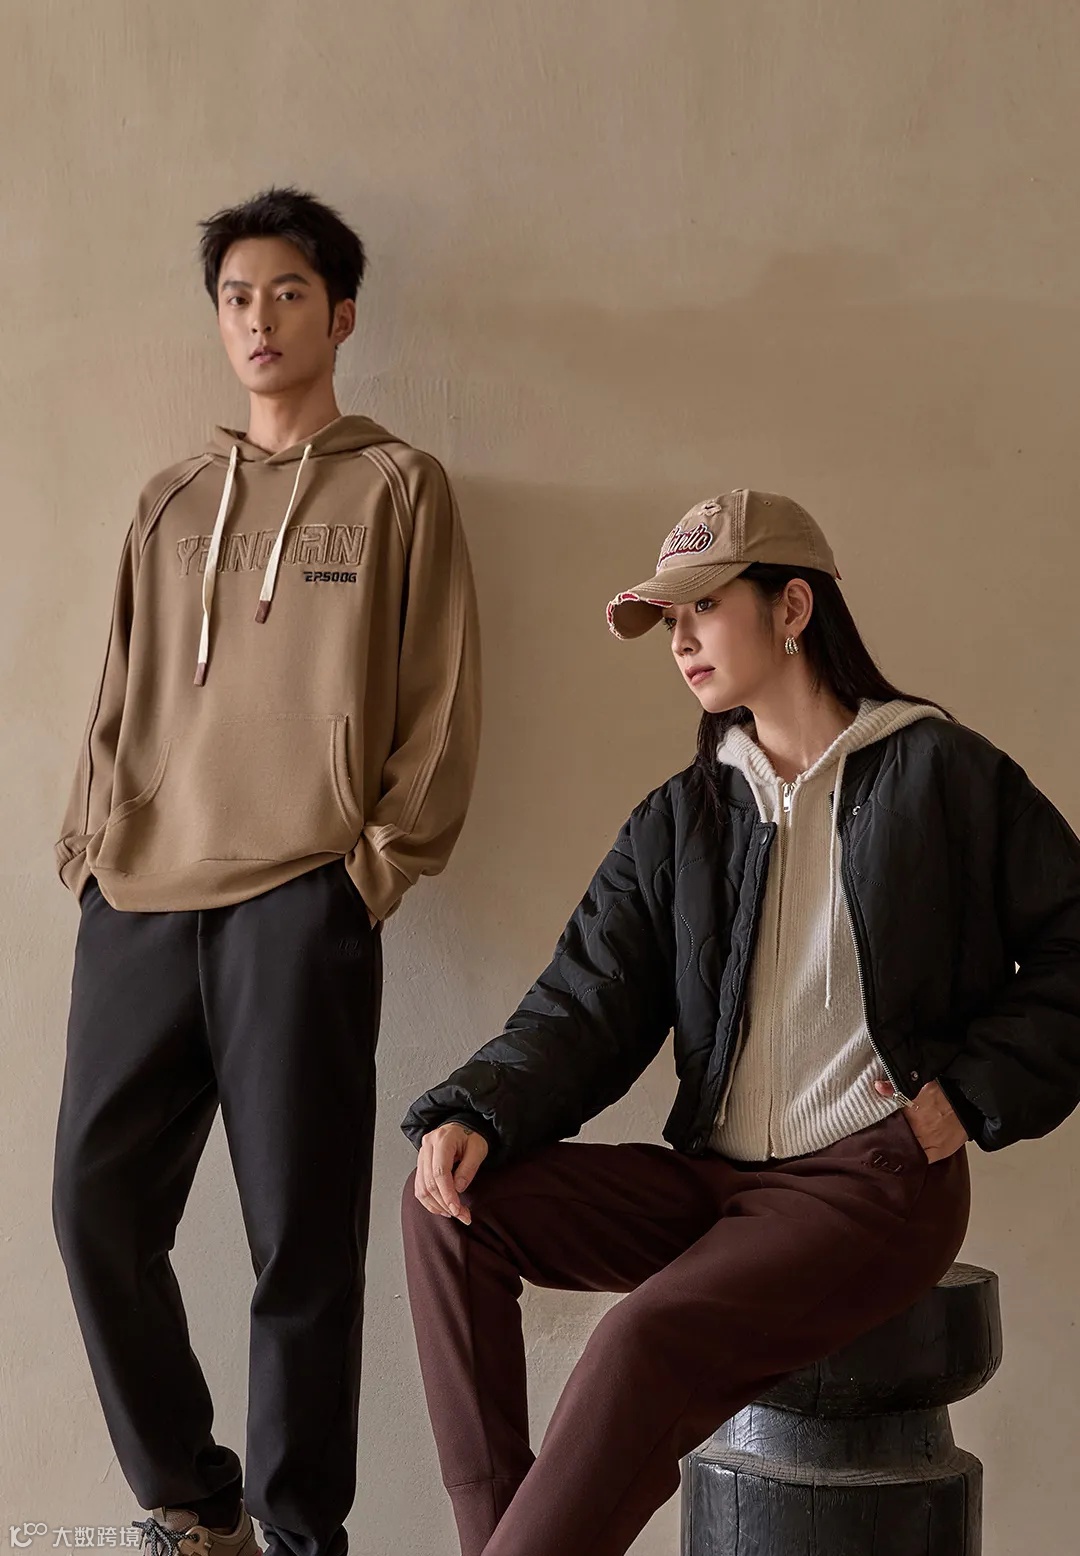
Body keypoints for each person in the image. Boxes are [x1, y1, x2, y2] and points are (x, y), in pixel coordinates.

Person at [400, 488, 1080, 1556]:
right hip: (716, 1185)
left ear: (792, 607)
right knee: (450, 1208)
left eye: (704, 608)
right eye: (669, 621)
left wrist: (971, 1092)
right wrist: (476, 1110)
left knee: (637, 1342)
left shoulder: (941, 775)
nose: (681, 642)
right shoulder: (684, 818)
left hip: (871, 1182)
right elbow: (583, 1002)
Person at [51, 188, 481, 1556]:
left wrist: (372, 869)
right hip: (140, 898)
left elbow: (439, 700)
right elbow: (119, 691)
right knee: (93, 1207)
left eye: (287, 292)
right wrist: (88, 852)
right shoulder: (171, 497)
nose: (258, 317)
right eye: (236, 296)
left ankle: (301, 1537)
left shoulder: (400, 486)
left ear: (340, 315)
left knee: (299, 1241)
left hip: (301, 897)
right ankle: (196, 1505)